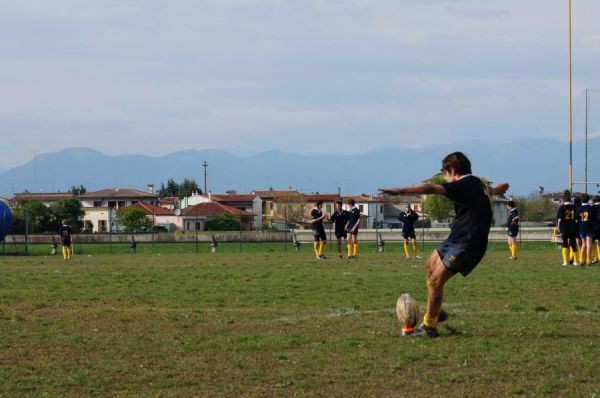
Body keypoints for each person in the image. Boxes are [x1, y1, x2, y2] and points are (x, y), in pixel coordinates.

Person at [379, 151, 509, 337]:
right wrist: (498, 189)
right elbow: (489, 192)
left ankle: (429, 327)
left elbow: (431, 189)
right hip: (456, 237)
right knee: (429, 266)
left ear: (453, 170)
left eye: (445, 173)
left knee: (435, 281)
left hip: (468, 243)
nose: (445, 178)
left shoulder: (462, 184)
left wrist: (399, 191)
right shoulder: (476, 183)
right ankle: (436, 310)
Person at [556, 190, 580, 266]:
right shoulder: (574, 207)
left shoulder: (562, 207)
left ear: (563, 199)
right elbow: (577, 219)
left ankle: (565, 262)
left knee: (565, 244)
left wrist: (558, 227)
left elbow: (559, 219)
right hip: (573, 228)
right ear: (570, 200)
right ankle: (576, 261)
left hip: (564, 228)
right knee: (573, 244)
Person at [576, 193, 597, 267]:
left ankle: (581, 260)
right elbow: (595, 218)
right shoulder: (591, 208)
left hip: (582, 228)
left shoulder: (578, 209)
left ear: (581, 200)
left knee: (583, 244)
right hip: (590, 227)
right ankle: (588, 261)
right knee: (589, 244)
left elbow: (577, 220)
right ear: (588, 199)